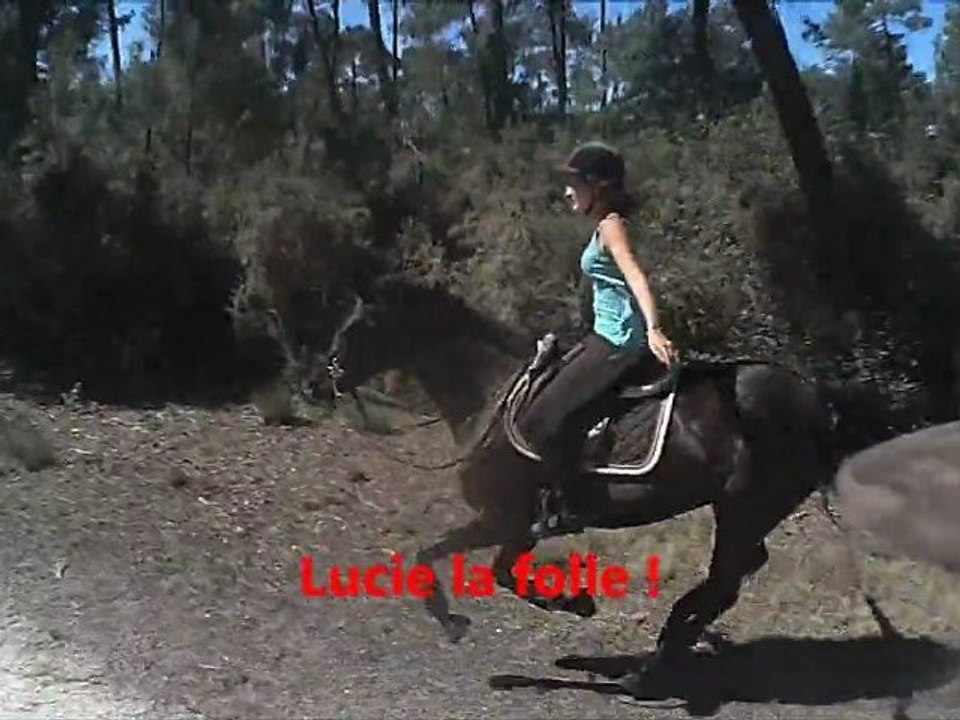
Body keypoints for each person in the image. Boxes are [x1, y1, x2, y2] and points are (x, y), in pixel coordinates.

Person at [523, 140, 679, 539]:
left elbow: (636, 276)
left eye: (574, 184)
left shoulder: (611, 227)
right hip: (604, 333)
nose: (567, 192)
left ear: (598, 186)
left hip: (618, 341)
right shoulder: (603, 226)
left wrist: (654, 328)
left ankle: (570, 506)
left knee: (546, 419)